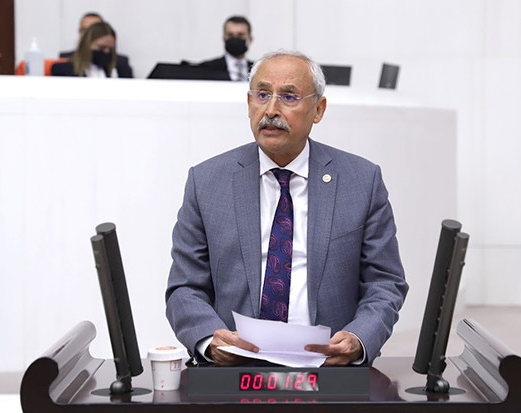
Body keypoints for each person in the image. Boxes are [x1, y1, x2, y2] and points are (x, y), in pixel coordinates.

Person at [165, 50, 409, 367]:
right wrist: (209, 340)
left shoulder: (361, 181)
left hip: (329, 367)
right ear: (249, 103)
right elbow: (184, 287)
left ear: (318, 109)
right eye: (262, 95)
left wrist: (358, 338)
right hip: (235, 367)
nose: (271, 110)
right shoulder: (207, 182)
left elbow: (385, 283)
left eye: (289, 97)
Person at [59, 12, 133, 77]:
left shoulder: (120, 66)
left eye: (110, 49)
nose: (106, 51)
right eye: (101, 48)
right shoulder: (64, 66)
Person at [198, 15, 254, 81]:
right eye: (230, 35)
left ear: (250, 39)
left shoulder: (258, 69)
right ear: (224, 38)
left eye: (240, 35)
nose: (235, 39)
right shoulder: (207, 69)